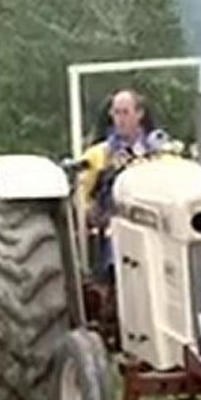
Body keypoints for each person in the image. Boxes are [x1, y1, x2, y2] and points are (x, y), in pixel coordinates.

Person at [78, 89, 176, 280]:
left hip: (157, 227)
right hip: (115, 230)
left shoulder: (163, 153)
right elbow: (81, 196)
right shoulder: (98, 155)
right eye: (116, 113)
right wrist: (91, 213)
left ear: (140, 114)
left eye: (125, 112)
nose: (120, 119)